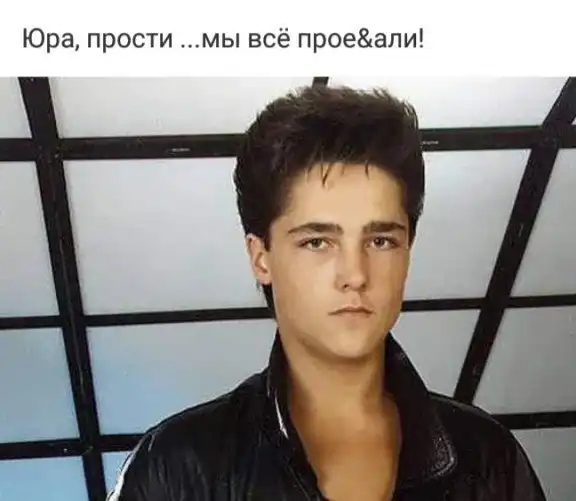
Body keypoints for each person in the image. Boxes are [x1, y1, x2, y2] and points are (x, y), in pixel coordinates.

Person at [108, 85, 546, 501]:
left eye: (381, 241)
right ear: (261, 257)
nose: (355, 274)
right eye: (318, 242)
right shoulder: (176, 467)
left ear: (408, 251)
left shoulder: (489, 459)